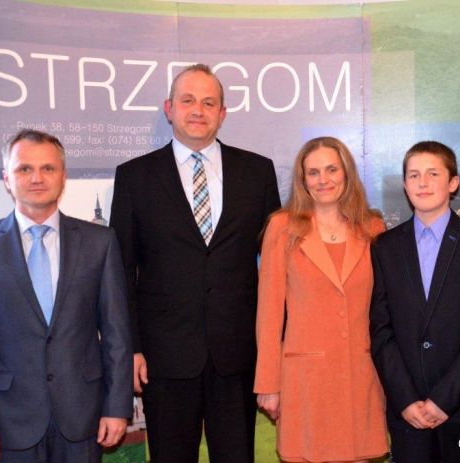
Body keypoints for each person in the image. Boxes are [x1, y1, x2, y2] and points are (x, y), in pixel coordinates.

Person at [109, 63, 281, 463]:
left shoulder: (257, 172)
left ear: (223, 113)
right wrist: (131, 348)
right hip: (164, 358)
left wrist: (274, 353)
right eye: (188, 101)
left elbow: (276, 267)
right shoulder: (135, 177)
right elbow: (120, 272)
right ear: (169, 108)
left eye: (208, 102)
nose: (198, 110)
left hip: (237, 354)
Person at [0, 129, 133, 463]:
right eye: (24, 169)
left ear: (63, 176)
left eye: (48, 168)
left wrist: (117, 406)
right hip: (7, 421)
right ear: (7, 178)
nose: (37, 178)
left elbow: (116, 333)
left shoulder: (99, 243)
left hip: (83, 418)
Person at [255, 136, 388, 463]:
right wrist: (268, 384)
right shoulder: (282, 227)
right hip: (305, 382)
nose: (323, 180)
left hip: (361, 376)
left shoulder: (373, 227)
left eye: (331, 169)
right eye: (313, 172)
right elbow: (269, 313)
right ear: (302, 180)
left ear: (347, 173)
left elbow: (387, 310)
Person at [370, 141, 460, 462]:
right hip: (408, 413)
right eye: (414, 175)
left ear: (453, 182)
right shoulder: (385, 247)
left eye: (433, 173)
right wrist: (405, 399)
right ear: (405, 185)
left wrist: (444, 399)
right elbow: (381, 330)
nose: (423, 183)